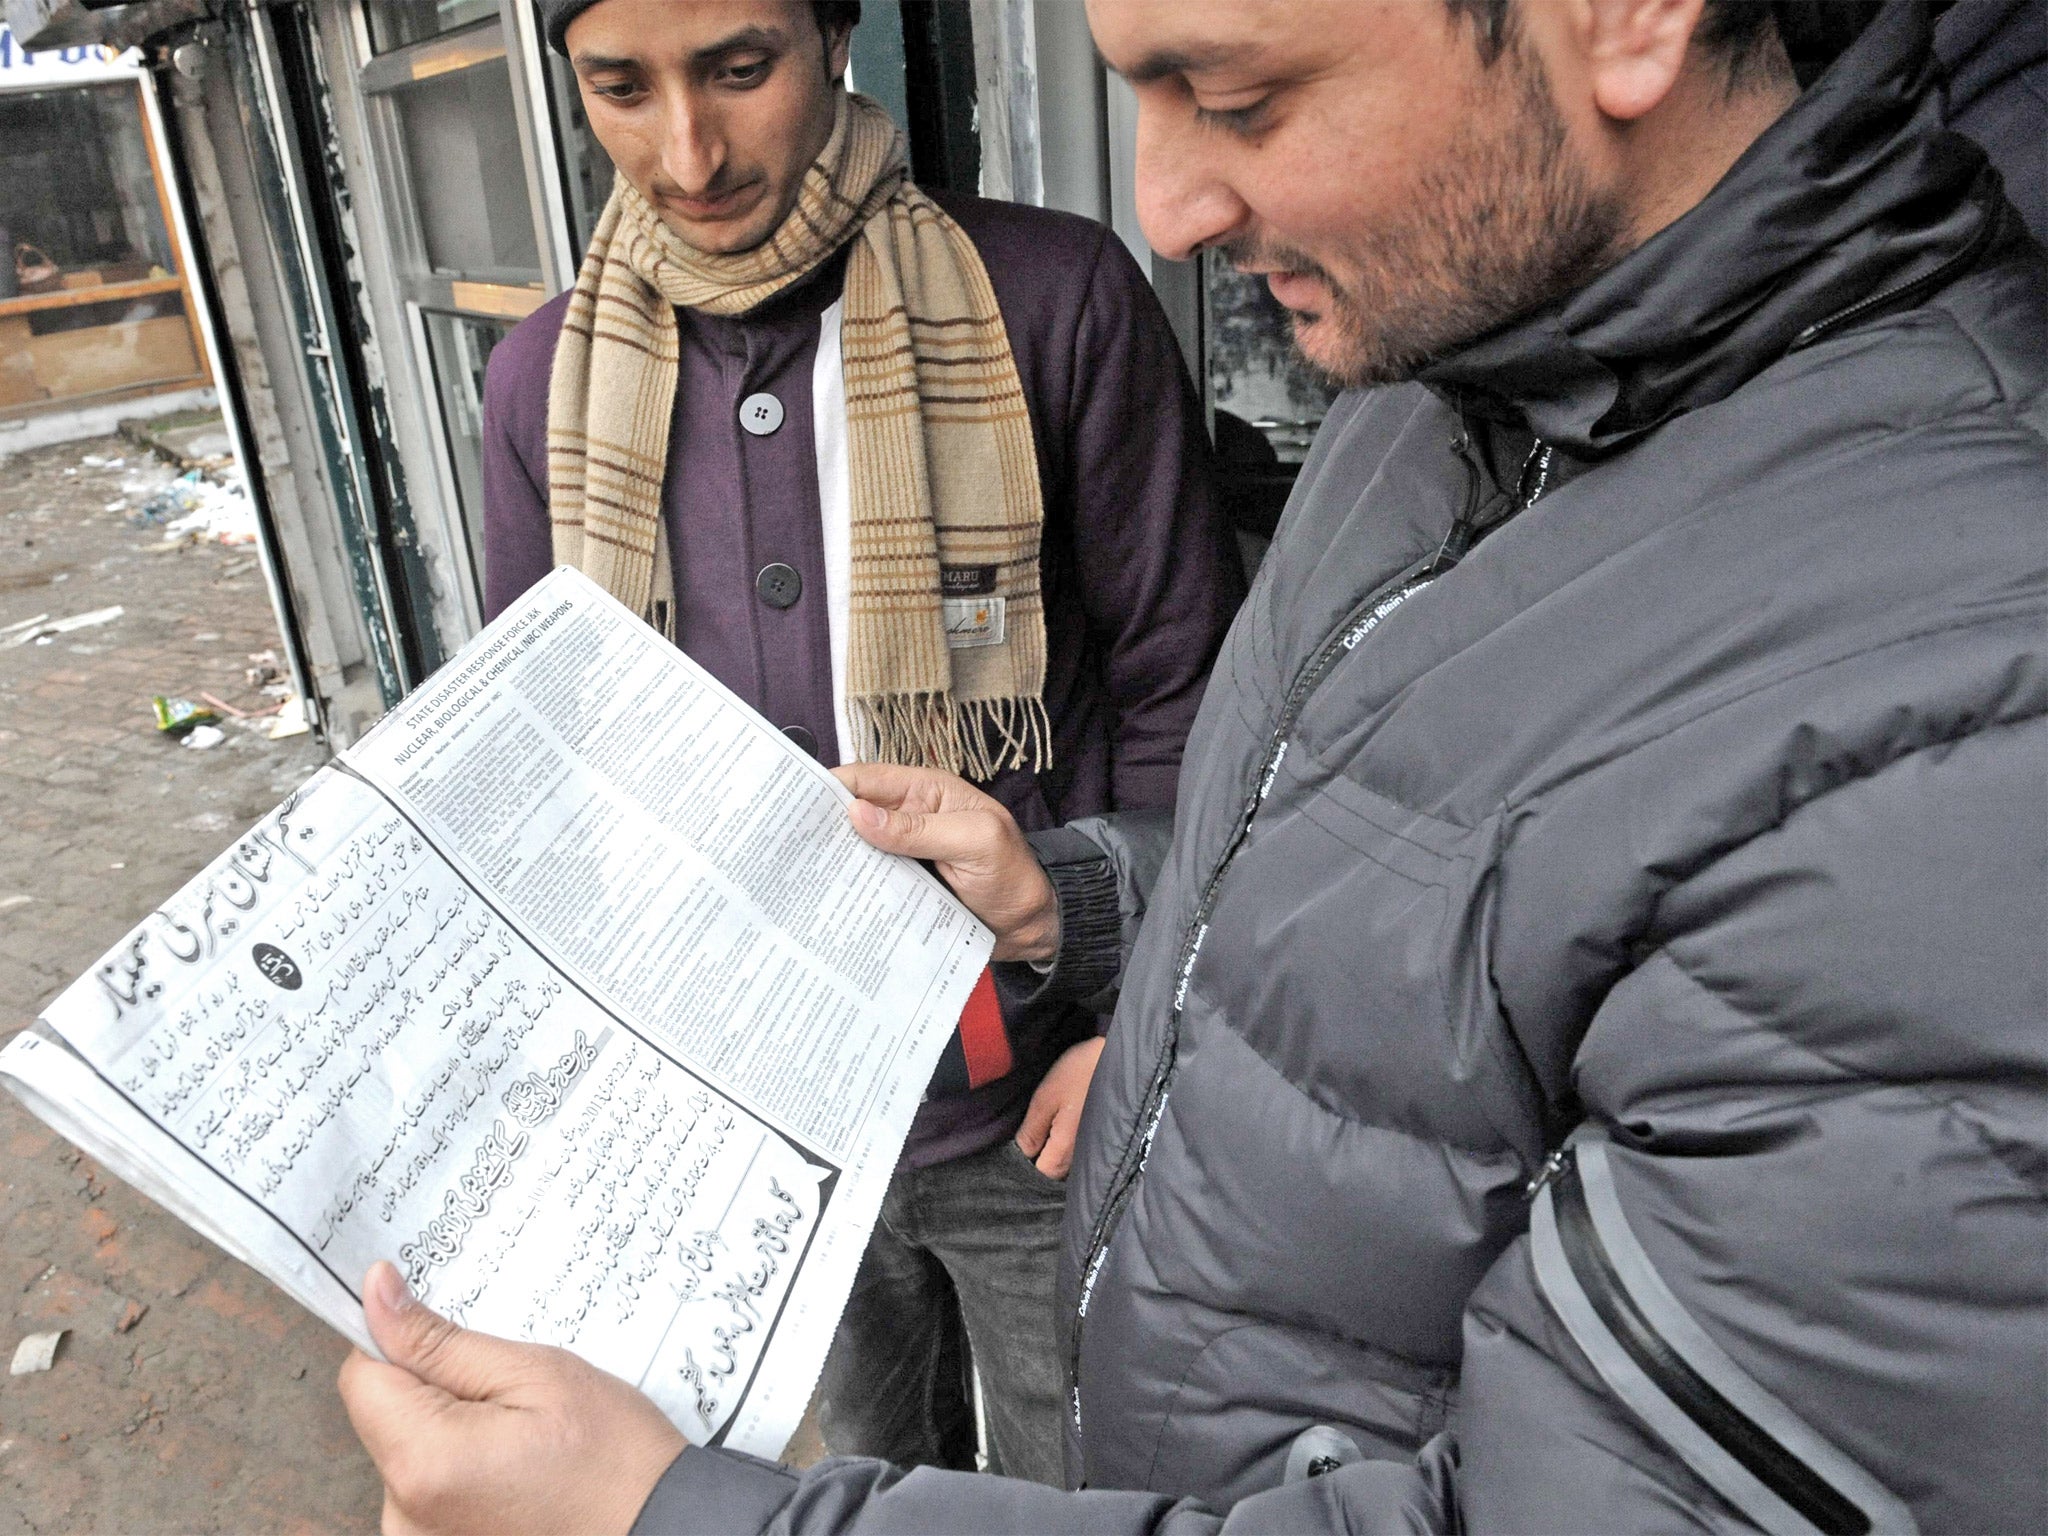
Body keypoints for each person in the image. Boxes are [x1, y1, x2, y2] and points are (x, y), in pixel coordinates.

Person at [341, 0, 2048, 1530]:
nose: (1166, 207)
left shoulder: (1960, 710)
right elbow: (1345, 846)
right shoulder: (1430, 389)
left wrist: (687, 1524)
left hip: (1012, 1126)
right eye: (616, 86)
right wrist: (1091, 915)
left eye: (1236, 95)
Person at [475, 0, 1243, 1488]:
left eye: (738, 69)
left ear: (837, 34)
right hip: (761, 1139)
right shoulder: (542, 389)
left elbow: (1190, 693)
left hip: (1038, 1105)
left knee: (1070, 1487)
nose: (686, 151)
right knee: (863, 1477)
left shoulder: (1050, 301)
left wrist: (1134, 1020)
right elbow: (547, 761)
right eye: (619, 87)